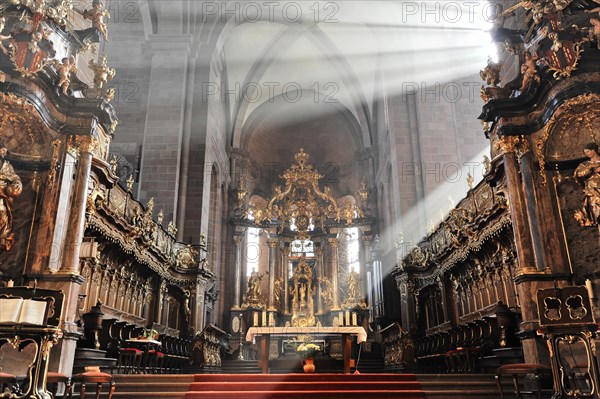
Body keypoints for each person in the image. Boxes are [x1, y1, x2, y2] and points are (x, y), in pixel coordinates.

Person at [0, 143, 23, 252]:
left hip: (2, 197)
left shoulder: (7, 166)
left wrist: (13, 188)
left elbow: (15, 180)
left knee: (1, 213)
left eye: (3, 151)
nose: (2, 152)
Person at [574, 143, 600, 226]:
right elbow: (578, 174)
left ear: (594, 150)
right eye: (585, 152)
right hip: (593, 191)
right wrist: (591, 168)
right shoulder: (585, 164)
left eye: (588, 151)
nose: (587, 154)